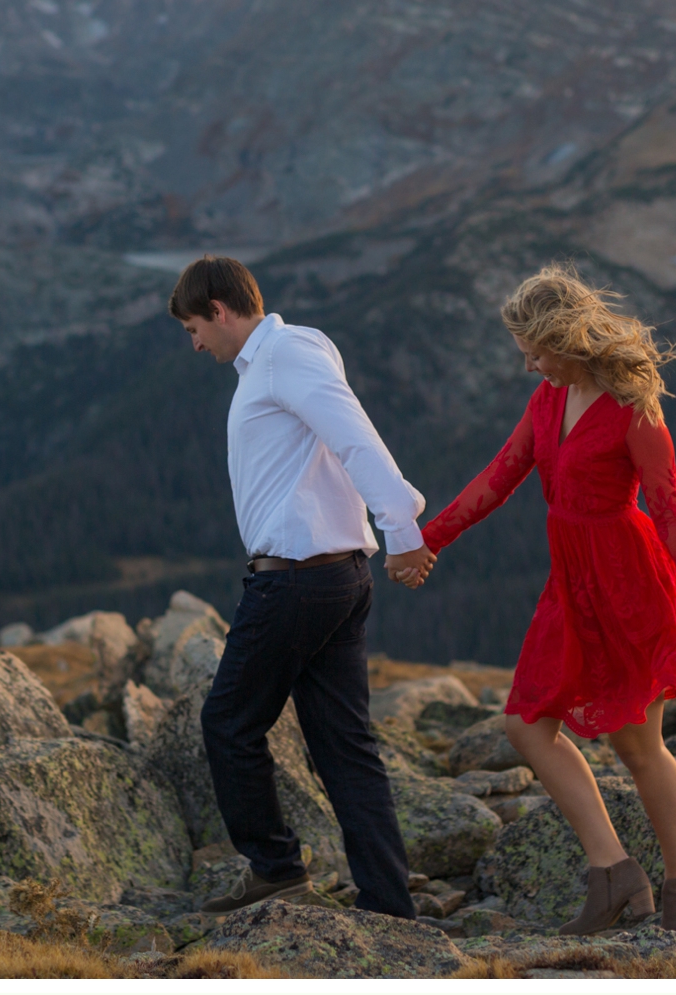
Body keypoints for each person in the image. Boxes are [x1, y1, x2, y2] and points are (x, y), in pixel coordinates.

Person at [416, 263, 676, 936]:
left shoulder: (635, 408)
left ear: (566, 338)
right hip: (571, 587)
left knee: (639, 746)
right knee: (526, 722)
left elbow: (672, 514)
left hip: (632, 589)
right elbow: (498, 476)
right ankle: (615, 871)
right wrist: (428, 540)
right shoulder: (545, 401)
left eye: (536, 351)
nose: (531, 364)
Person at [170, 255, 436, 920]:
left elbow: (355, 438)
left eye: (194, 326)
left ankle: (277, 868)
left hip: (296, 581)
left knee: (229, 722)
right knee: (344, 745)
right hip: (335, 577)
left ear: (221, 310)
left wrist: (403, 527)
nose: (194, 342)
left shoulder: (285, 354)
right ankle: (387, 901)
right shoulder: (294, 350)